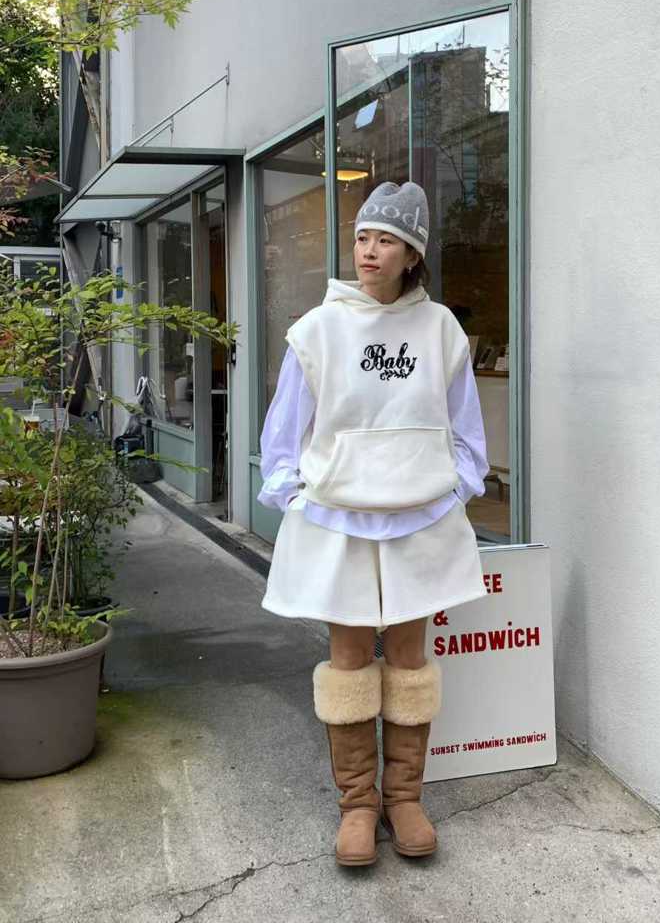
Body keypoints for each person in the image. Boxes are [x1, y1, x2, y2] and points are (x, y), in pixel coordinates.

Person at [258, 181, 489, 868]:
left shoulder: (440, 329)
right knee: (350, 659)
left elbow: (466, 431)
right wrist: (293, 497)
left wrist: (455, 489)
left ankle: (405, 798)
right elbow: (284, 433)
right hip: (341, 520)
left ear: (412, 255)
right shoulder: (318, 329)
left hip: (421, 518)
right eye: (362, 237)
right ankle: (358, 805)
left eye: (387, 240)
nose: (369, 250)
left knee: (411, 661)